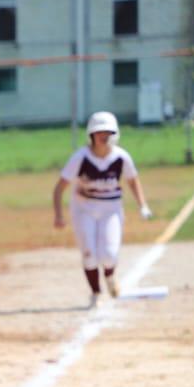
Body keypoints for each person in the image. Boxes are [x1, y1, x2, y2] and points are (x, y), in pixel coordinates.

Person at [53, 111, 153, 308]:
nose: (104, 136)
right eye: (99, 132)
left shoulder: (121, 157)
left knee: (109, 254)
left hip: (111, 209)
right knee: (89, 253)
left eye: (108, 132)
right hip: (84, 208)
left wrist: (143, 205)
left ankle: (110, 276)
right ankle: (96, 293)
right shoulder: (81, 158)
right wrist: (58, 214)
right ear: (91, 134)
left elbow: (132, 180)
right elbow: (59, 187)